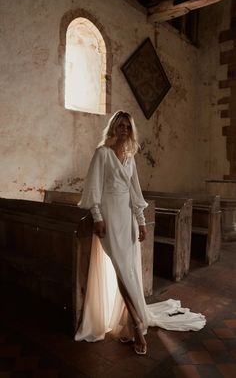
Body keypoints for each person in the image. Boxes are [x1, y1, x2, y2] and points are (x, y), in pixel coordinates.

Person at [74, 110, 206, 355]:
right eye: (120, 125)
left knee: (130, 271)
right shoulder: (102, 153)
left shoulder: (130, 157)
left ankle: (131, 318)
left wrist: (142, 222)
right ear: (113, 127)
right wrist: (98, 218)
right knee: (122, 270)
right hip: (110, 219)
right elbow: (93, 189)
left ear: (131, 130)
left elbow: (136, 193)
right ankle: (136, 325)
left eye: (127, 126)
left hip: (128, 220)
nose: (123, 130)